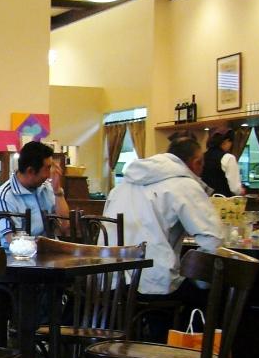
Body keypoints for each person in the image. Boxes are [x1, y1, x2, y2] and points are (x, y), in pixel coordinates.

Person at [104, 133, 223, 338]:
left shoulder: (123, 185)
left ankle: (143, 343)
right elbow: (213, 239)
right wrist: (199, 281)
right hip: (152, 284)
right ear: (196, 162)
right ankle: (177, 349)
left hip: (110, 280)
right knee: (211, 293)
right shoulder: (184, 184)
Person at [0, 140, 69, 245]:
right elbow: (14, 242)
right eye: (47, 168)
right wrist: (45, 246)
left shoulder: (46, 188)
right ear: (30, 171)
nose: (50, 174)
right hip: (19, 254)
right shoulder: (5, 197)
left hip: (49, 251)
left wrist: (58, 192)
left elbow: (65, 228)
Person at [200, 128, 243, 197]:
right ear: (226, 141)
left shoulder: (202, 156)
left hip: (204, 199)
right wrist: (241, 191)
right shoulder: (228, 158)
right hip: (223, 201)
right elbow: (235, 189)